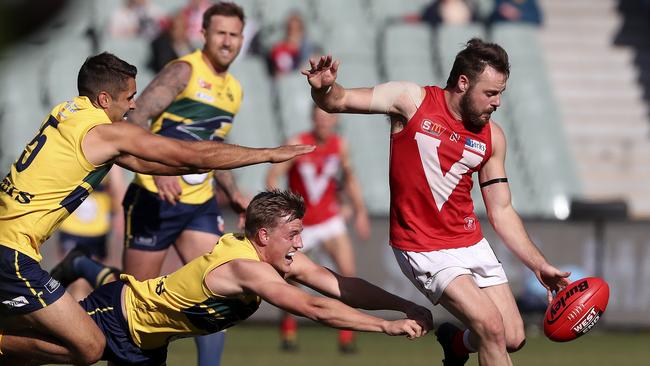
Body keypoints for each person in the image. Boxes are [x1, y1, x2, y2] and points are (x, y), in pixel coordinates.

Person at [0, 51, 312, 365]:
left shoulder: (68, 111)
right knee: (90, 346)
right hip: (11, 254)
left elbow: (146, 162)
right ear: (105, 99)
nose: (134, 105)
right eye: (129, 97)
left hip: (11, 247)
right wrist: (268, 154)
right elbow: (190, 156)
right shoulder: (106, 132)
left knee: (38, 332)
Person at [301, 39, 570, 366]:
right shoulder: (410, 100)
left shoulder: (493, 137)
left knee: (512, 336)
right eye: (490, 93)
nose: (498, 102)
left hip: (469, 241)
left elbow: (501, 210)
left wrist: (538, 264)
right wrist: (323, 91)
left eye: (501, 93)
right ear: (463, 82)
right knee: (491, 328)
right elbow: (338, 101)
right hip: (423, 246)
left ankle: (457, 344)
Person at [50, 190, 432, 365]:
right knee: (41, 351)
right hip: (118, 316)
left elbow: (340, 285)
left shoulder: (275, 256)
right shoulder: (247, 268)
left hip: (148, 344)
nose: (300, 243)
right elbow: (314, 307)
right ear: (263, 236)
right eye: (293, 234)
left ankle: (82, 266)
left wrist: (405, 305)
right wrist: (385, 327)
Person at [123, 3, 254, 365]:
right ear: (205, 35)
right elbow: (134, 121)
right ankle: (82, 270)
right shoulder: (183, 71)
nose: (227, 41)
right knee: (134, 301)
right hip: (154, 199)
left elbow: (215, 150)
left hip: (199, 203)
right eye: (221, 33)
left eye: (234, 34)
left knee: (216, 294)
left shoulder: (235, 90)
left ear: (242, 39)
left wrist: (234, 193)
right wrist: (154, 173)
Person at [266, 104, 370, 353]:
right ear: (313, 119)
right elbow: (273, 175)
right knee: (291, 278)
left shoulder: (339, 145)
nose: (323, 123)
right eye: (318, 118)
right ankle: (288, 331)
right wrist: (281, 211)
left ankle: (347, 337)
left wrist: (360, 210)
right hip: (301, 224)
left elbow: (350, 178)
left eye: (327, 118)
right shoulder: (298, 143)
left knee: (347, 274)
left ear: (334, 120)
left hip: (329, 220)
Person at [56, 166, 126, 300]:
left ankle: (85, 315)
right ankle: (79, 316)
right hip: (72, 226)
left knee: (91, 281)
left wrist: (119, 215)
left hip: (97, 229)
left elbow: (117, 187)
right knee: (79, 281)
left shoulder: (110, 157)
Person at [268, 11, 317, 77]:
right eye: (290, 29)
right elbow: (275, 72)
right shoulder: (278, 49)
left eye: (296, 29)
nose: (293, 33)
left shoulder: (308, 48)